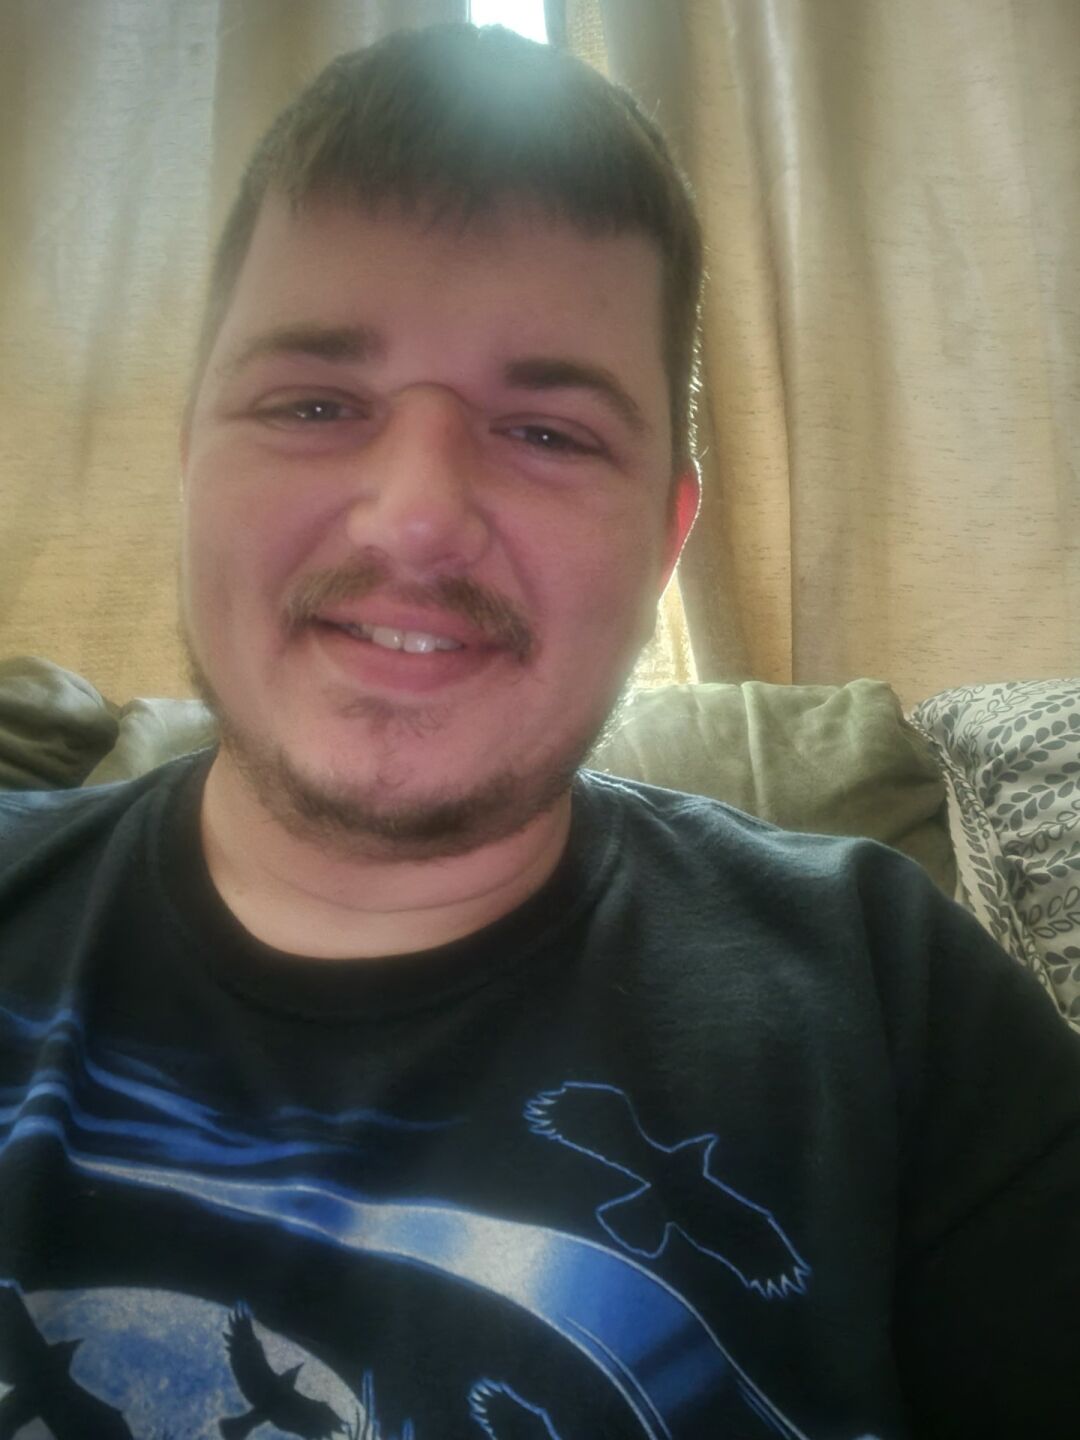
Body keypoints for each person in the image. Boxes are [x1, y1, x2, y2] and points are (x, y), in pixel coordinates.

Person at [0, 22, 1076, 1440]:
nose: (417, 518)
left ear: (666, 537)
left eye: (550, 433)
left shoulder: (896, 1004)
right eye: (313, 403)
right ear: (191, 462)